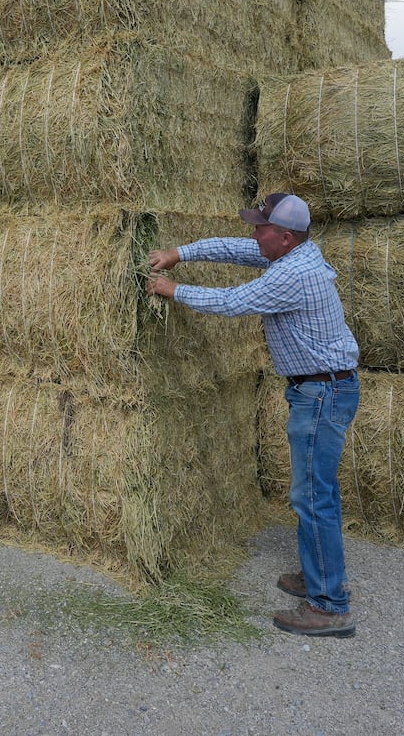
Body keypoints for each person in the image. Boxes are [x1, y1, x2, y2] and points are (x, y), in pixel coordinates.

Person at [146, 191, 361, 638]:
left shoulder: (293, 275)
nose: (253, 233)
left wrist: (173, 289)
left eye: (259, 227)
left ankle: (329, 607)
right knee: (318, 492)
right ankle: (322, 574)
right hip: (323, 388)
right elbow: (232, 247)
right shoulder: (291, 252)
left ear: (284, 237)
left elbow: (232, 302)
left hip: (321, 392)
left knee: (312, 496)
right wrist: (178, 254)